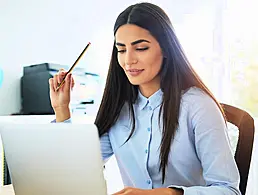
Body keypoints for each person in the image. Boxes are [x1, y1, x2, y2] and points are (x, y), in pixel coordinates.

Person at [49, 2, 241, 195]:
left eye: (140, 48)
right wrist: (61, 109)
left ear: (165, 49)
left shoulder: (199, 107)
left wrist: (167, 193)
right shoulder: (118, 108)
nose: (128, 60)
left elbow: (228, 190)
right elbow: (78, 169)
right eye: (121, 50)